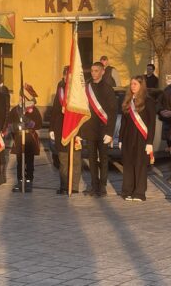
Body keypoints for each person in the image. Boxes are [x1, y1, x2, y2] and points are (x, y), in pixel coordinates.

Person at [83, 62, 117, 197]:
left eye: (96, 71)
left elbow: (113, 112)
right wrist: (81, 132)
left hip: (103, 130)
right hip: (90, 129)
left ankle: (102, 186)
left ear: (102, 72)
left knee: (103, 159)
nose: (93, 73)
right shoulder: (87, 88)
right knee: (91, 160)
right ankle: (93, 185)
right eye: (92, 71)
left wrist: (110, 132)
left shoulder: (108, 89)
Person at [119, 76, 155, 201]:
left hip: (142, 137)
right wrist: (120, 139)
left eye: (135, 84)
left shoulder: (148, 101)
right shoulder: (128, 100)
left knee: (140, 164)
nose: (132, 86)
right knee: (128, 164)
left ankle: (139, 193)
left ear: (141, 85)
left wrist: (150, 142)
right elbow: (124, 122)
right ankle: (127, 191)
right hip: (128, 137)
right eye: (131, 84)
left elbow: (152, 123)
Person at [50, 66, 83, 195]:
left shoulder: (78, 92)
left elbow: (83, 114)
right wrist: (52, 128)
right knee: (63, 160)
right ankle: (64, 186)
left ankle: (73, 187)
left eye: (70, 76)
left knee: (75, 161)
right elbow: (54, 110)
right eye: (66, 76)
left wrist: (80, 133)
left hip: (75, 130)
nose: (68, 78)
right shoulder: (60, 90)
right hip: (61, 129)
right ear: (64, 76)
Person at [8, 84, 43, 192]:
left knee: (29, 161)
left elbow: (38, 124)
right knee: (20, 161)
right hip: (19, 138)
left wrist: (28, 122)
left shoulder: (33, 110)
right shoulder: (15, 110)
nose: (20, 98)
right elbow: (9, 123)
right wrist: (17, 126)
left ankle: (29, 182)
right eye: (20, 96)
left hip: (29, 138)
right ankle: (20, 182)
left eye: (22, 96)